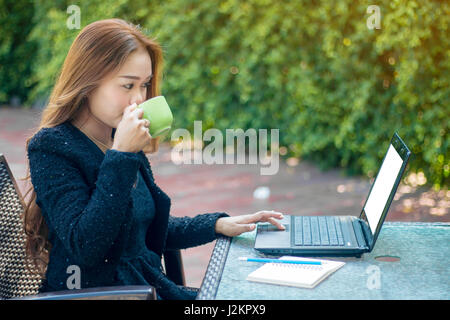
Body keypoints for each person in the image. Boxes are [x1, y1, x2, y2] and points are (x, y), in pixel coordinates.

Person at [22, 18, 285, 300]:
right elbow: (87, 246)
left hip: (146, 288)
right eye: (127, 86)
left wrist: (217, 224)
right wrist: (121, 155)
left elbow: (143, 226)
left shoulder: (117, 136)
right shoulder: (52, 148)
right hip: (105, 295)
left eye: (144, 85)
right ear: (87, 83)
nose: (138, 99)